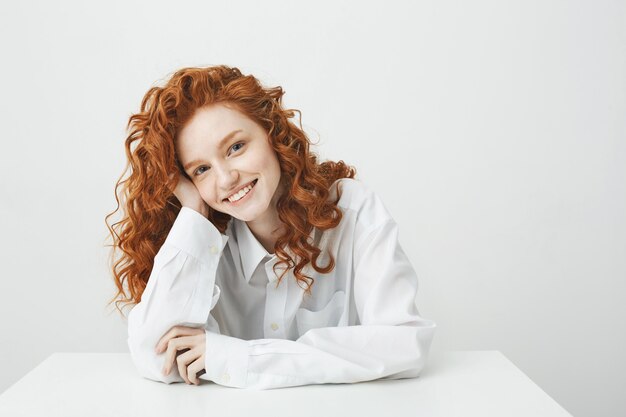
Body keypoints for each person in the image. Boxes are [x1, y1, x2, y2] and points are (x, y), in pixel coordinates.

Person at [105, 65, 436, 390]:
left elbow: (405, 343)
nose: (226, 179)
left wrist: (239, 358)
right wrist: (193, 212)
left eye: (236, 147)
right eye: (202, 169)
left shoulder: (352, 211)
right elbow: (156, 357)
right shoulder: (205, 239)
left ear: (272, 134)